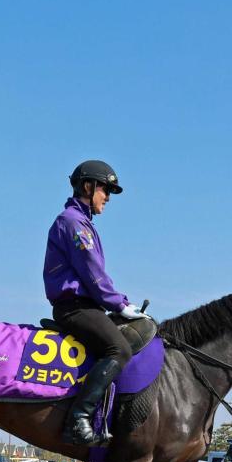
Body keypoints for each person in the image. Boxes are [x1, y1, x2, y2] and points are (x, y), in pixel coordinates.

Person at [43, 160, 150, 445]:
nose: (108, 198)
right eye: (106, 190)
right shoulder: (73, 223)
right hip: (76, 307)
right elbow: (93, 273)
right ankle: (78, 420)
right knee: (119, 349)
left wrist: (119, 302)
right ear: (88, 186)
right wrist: (120, 304)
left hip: (87, 305)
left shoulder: (82, 222)